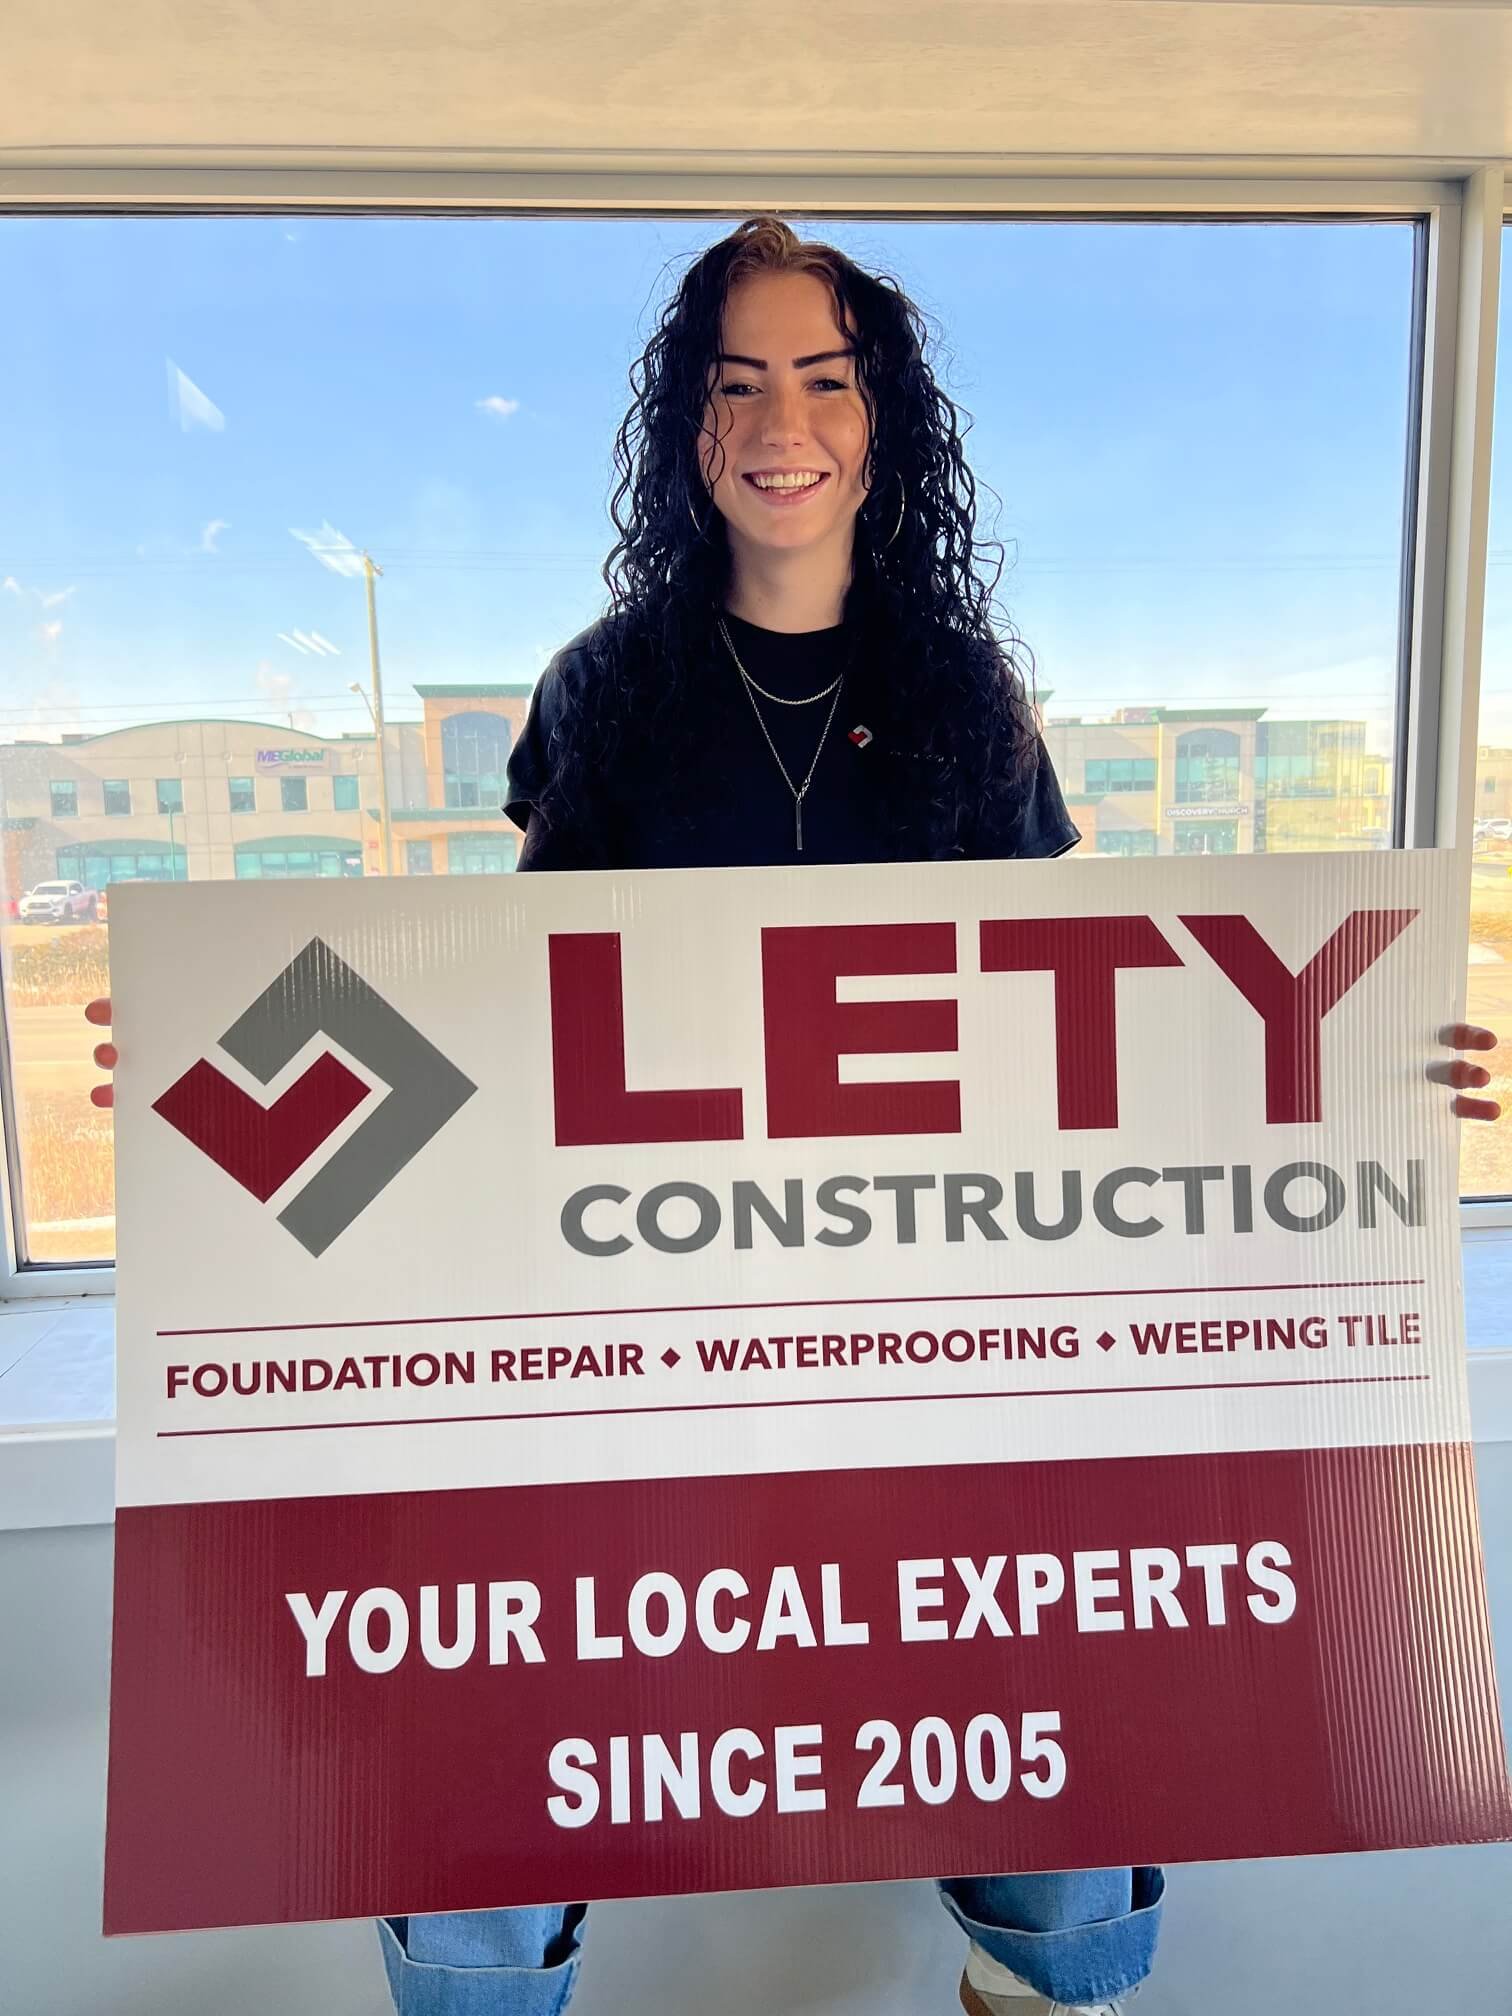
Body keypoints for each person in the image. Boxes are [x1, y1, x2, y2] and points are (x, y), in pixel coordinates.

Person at [86, 213, 1502, 2016]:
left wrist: (1364, 1079)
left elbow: (1096, 1016)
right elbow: (506, 1009)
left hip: (938, 1367)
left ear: (880, 418)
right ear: (690, 430)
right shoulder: (608, 692)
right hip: (636, 1371)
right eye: (737, 382)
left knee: (1055, 1844)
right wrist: (203, 1060)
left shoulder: (970, 700)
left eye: (825, 379)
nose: (783, 421)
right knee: (472, 1861)